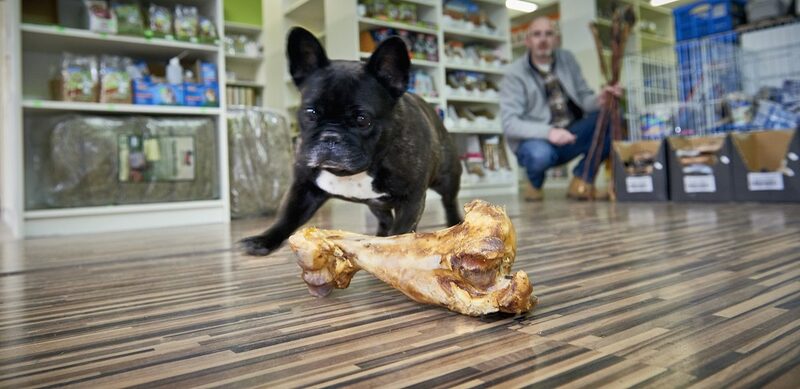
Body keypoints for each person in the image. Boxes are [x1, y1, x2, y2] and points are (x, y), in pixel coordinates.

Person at [500, 17, 621, 201]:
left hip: (571, 133)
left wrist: (600, 99)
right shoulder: (514, 73)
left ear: (556, 39)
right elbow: (510, 124)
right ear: (527, 40)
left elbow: (584, 98)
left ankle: (581, 180)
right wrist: (549, 132)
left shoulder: (567, 59)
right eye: (536, 34)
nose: (543, 39)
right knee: (539, 155)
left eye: (548, 34)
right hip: (537, 141)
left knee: (611, 118)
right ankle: (534, 183)